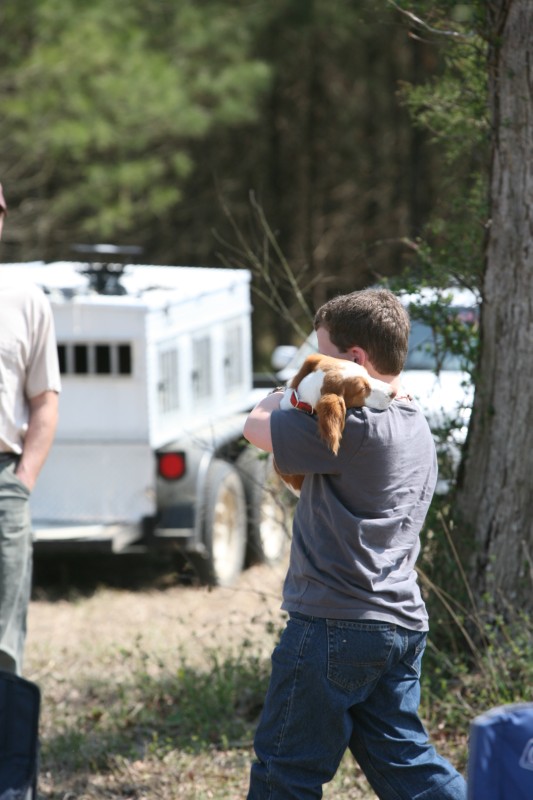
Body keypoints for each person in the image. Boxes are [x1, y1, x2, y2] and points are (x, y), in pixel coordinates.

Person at [243, 287, 467, 800]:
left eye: (320, 355)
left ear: (355, 360)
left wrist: (288, 389)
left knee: (285, 770)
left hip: (332, 623)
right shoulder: (416, 424)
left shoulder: (355, 424)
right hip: (401, 624)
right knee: (406, 766)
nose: (314, 366)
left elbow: (255, 426)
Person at [0, 183, 61, 675]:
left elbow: (44, 400)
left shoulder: (24, 299)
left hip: (5, 485)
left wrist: (23, 481)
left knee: (3, 640)